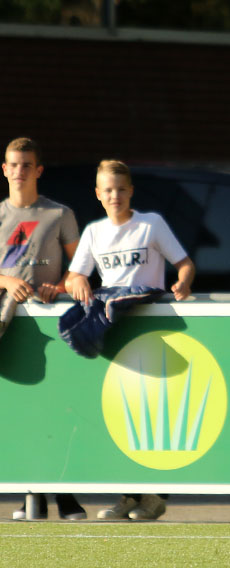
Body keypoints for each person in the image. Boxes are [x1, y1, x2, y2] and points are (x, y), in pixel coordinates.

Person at [66, 159, 196, 521]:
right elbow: (74, 276)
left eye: (121, 189)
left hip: (151, 327)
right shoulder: (93, 232)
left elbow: (184, 263)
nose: (115, 196)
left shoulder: (151, 224)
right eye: (108, 190)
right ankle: (129, 495)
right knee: (124, 412)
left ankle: (155, 496)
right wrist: (75, 281)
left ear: (131, 191)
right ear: (98, 194)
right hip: (115, 330)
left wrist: (182, 283)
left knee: (156, 410)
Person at [0, 137, 86, 521]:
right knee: (20, 411)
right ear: (4, 169)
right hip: (11, 323)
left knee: (55, 410)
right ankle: (30, 495)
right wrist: (5, 281)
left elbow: (81, 266)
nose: (19, 171)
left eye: (26, 165)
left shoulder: (59, 213)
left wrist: (62, 284)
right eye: (13, 164)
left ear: (38, 170)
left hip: (51, 323)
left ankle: (66, 497)